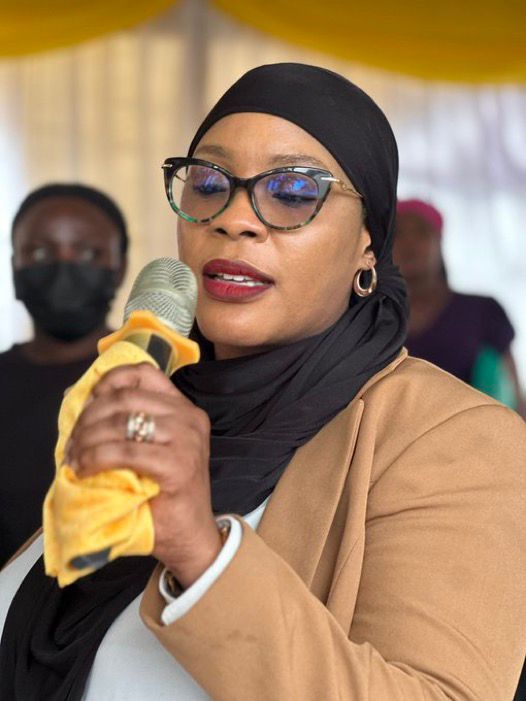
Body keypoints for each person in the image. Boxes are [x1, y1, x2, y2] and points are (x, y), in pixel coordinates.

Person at [1, 64, 525, 701]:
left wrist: (200, 550)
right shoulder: (151, 400)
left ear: (369, 243)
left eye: (294, 191)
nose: (234, 219)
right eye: (209, 182)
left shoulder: (453, 441)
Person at [0, 183, 128, 565]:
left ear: (119, 268)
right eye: (40, 252)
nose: (64, 267)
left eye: (88, 253)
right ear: (15, 269)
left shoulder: (155, 372)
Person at [394, 198, 524, 414]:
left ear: (439, 241)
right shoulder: (372, 317)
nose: (409, 243)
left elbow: (514, 396)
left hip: (477, 432)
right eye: (397, 234)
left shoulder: (483, 311)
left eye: (420, 232)